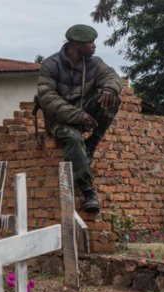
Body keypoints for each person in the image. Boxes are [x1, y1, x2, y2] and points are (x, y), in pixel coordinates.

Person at [37, 24, 123, 213]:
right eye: (90, 43)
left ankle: (93, 142)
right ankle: (89, 192)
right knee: (74, 140)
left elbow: (113, 77)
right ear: (76, 44)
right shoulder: (51, 65)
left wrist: (109, 88)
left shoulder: (94, 63)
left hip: (85, 114)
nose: (94, 46)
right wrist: (78, 115)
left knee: (112, 97)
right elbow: (48, 98)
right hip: (60, 121)